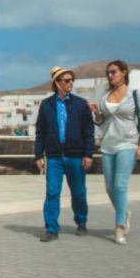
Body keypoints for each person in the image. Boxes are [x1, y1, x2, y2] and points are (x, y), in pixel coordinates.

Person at [89, 60, 140, 246]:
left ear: (124, 72)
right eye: (108, 72)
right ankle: (123, 213)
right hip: (108, 144)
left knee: (120, 185)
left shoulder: (134, 95)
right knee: (109, 188)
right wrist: (96, 114)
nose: (110, 75)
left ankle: (119, 227)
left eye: (114, 72)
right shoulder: (105, 96)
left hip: (128, 143)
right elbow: (101, 121)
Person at [34, 66, 94, 241]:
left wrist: (88, 154)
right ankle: (51, 228)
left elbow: (88, 131)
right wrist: (39, 155)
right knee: (52, 192)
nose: (71, 83)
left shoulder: (80, 104)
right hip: (54, 157)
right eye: (67, 81)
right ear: (57, 84)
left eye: (72, 80)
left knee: (79, 192)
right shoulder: (46, 105)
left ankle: (81, 222)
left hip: (76, 156)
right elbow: (40, 132)